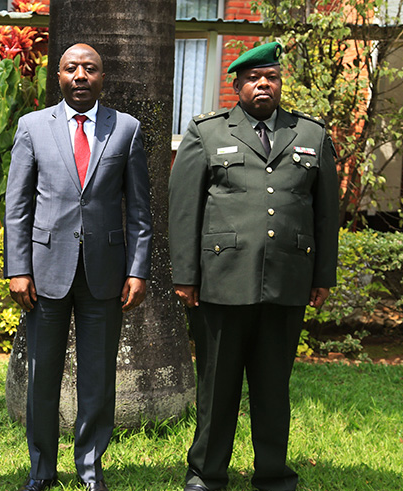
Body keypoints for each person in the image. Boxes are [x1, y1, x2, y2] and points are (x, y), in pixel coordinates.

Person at [168, 42, 339, 491]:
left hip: (286, 281)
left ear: (280, 83)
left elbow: (326, 213)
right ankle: (206, 473)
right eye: (253, 78)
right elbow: (184, 209)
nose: (263, 84)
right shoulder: (207, 132)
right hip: (220, 284)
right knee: (217, 386)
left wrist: (322, 276)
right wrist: (185, 276)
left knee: (272, 388)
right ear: (237, 85)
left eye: (272, 77)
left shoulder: (311, 135)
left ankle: (273, 475)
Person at [4, 43, 152, 491]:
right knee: (42, 375)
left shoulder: (125, 129)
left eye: (91, 68)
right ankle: (41, 469)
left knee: (97, 377)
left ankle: (90, 469)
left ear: (103, 78)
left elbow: (140, 211)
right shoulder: (33, 127)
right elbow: (17, 206)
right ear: (60, 76)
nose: (81, 75)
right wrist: (18, 268)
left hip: (105, 273)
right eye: (72, 68)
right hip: (45, 272)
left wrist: (138, 269)